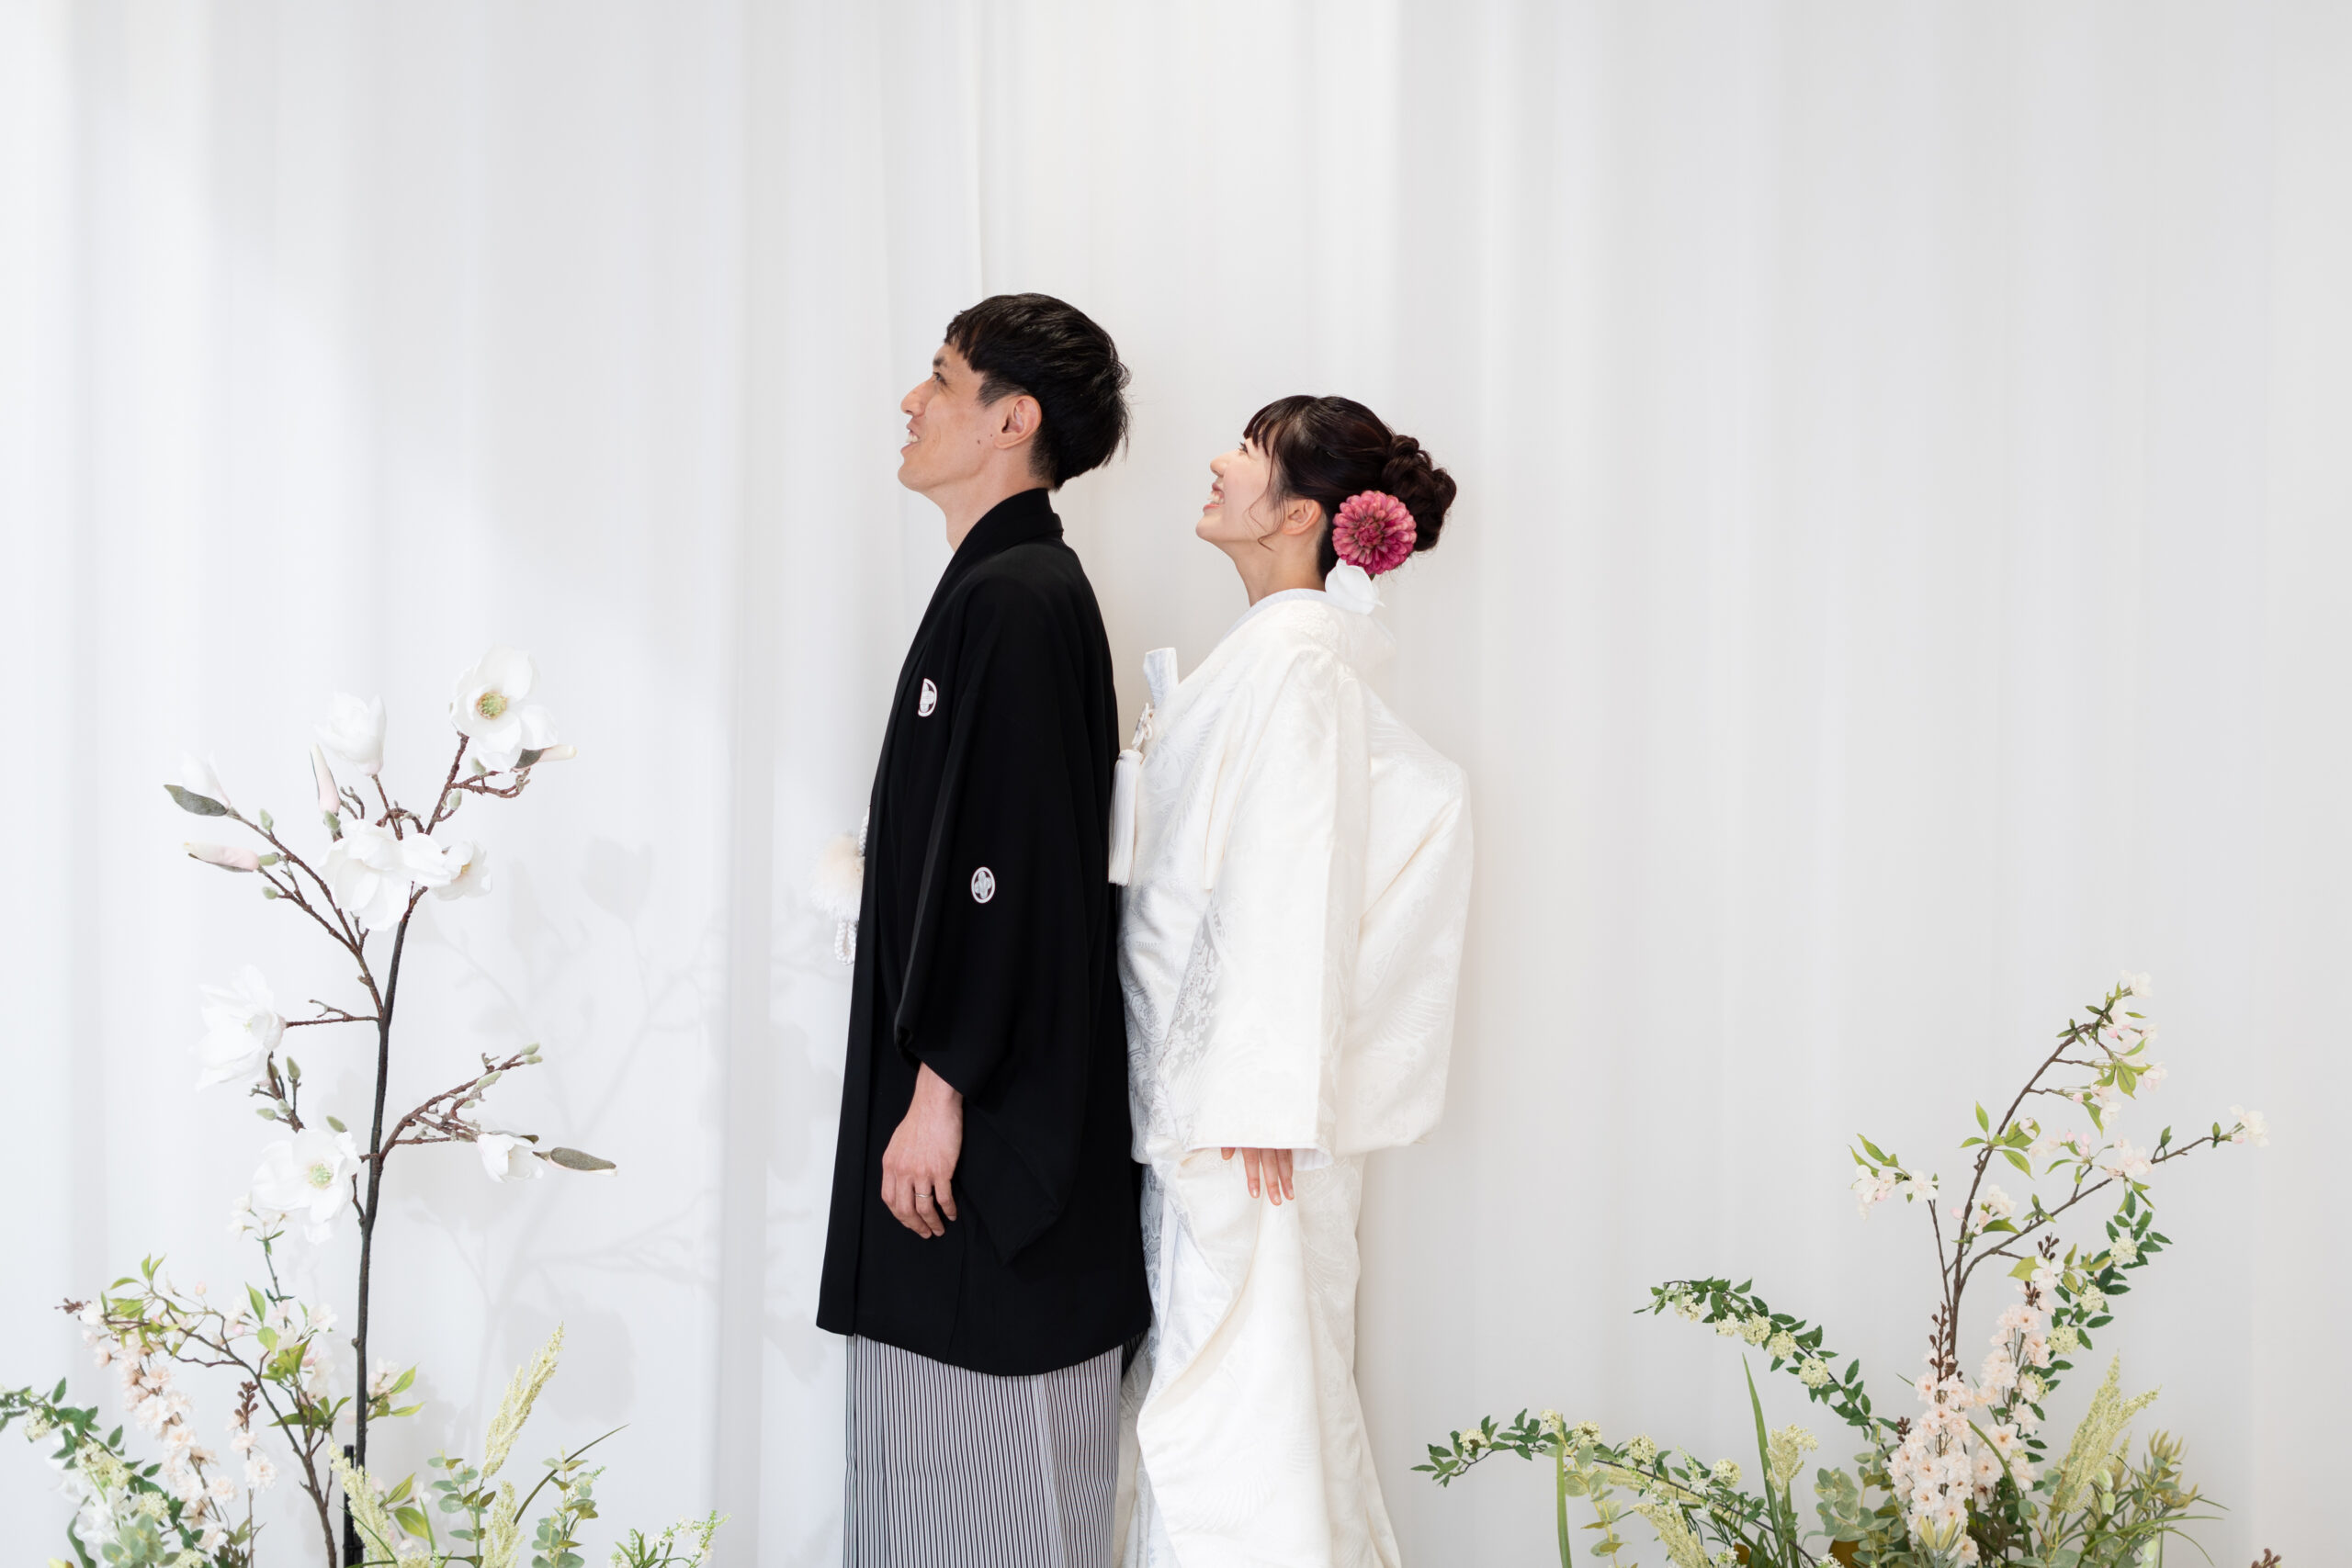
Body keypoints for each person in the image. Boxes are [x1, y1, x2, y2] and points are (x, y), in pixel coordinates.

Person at [816, 293, 1150, 1567]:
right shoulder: (1003, 587)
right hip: (974, 1102)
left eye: (943, 380)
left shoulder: (1016, 596)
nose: (913, 401)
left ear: (1013, 421)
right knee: (950, 1480)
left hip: (988, 1130)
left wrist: (939, 1089)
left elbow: (1005, 872)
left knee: (990, 1480)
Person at [1114, 397, 1475, 1567]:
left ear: (1301, 516)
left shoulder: (1296, 659)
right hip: (1224, 1101)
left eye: (1249, 451)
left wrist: (1266, 1097)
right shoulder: (1283, 651)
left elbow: (1293, 870)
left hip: (1245, 1125)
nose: (1218, 463)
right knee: (1248, 1417)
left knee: (1243, 1430)